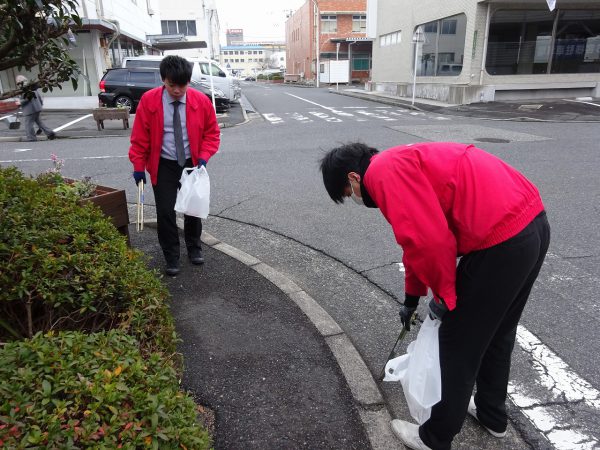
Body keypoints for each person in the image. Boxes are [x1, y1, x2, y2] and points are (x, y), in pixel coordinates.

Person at [319, 142, 550, 450]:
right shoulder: (400, 160)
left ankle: (435, 437)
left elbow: (431, 244)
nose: (355, 199)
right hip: (532, 223)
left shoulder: (382, 174)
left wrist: (444, 297)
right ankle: (491, 415)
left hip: (499, 242)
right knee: (499, 332)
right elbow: (415, 243)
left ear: (353, 177)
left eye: (348, 193)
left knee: (456, 343)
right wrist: (412, 298)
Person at [129, 55, 220, 276]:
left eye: (182, 85)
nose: (177, 90)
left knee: (193, 210)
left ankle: (194, 248)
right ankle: (171, 256)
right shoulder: (149, 101)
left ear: (189, 81)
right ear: (163, 79)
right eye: (172, 85)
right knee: (166, 212)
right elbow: (139, 138)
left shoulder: (201, 101)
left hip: (191, 164)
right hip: (163, 164)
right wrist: (138, 166)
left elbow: (212, 134)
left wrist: (204, 157)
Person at [15, 75, 56, 142]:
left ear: (19, 81)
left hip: (30, 110)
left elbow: (27, 98)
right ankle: (50, 133)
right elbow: (38, 97)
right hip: (37, 108)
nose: (17, 83)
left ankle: (31, 138)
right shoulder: (32, 86)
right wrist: (40, 104)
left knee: (28, 125)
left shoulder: (24, 87)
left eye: (17, 82)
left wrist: (20, 102)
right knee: (40, 123)